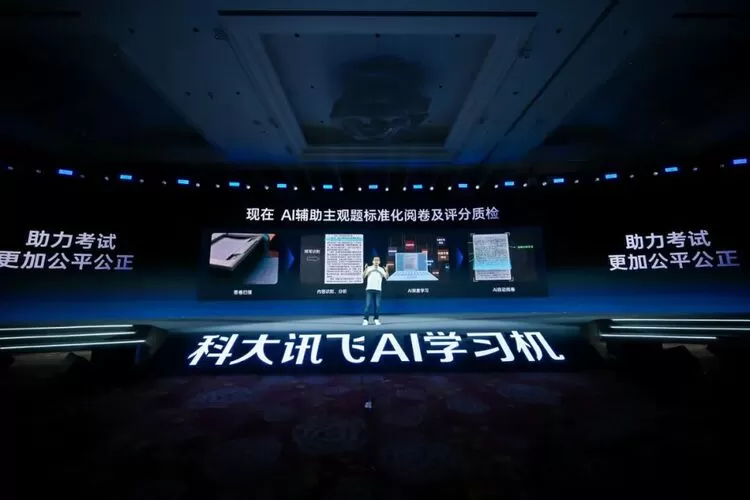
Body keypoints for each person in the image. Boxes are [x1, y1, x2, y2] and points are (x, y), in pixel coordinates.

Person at [362, 256, 388, 325]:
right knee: (368, 305)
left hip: (378, 290)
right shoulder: (369, 268)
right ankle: (365, 320)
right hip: (369, 289)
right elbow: (363, 276)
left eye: (377, 260)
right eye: (375, 260)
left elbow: (386, 277)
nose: (376, 261)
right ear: (372, 261)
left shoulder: (381, 269)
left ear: (379, 262)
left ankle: (376, 319)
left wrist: (386, 270)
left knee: (377, 305)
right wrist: (365, 269)